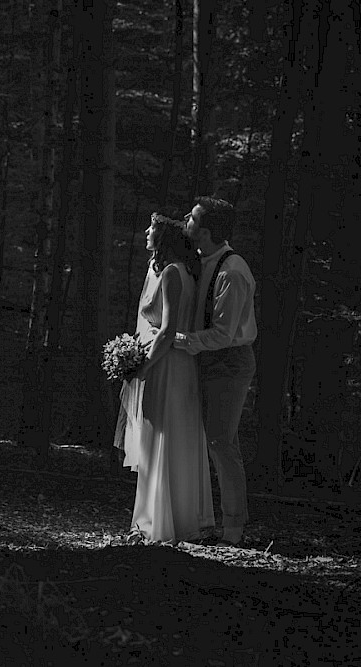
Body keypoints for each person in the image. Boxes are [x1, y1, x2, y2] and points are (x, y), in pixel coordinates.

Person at [113, 213, 215, 544]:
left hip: (167, 365)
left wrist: (143, 365)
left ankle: (154, 523)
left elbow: (168, 330)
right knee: (171, 440)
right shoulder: (185, 272)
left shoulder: (172, 273)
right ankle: (175, 520)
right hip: (180, 366)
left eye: (152, 227)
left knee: (159, 438)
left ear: (164, 238)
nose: (146, 231)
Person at [175, 197, 257, 548]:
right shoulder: (200, 261)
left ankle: (234, 530)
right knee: (206, 440)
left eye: (191, 219)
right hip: (205, 359)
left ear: (205, 231)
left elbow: (224, 334)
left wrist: (177, 341)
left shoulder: (232, 271)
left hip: (229, 363)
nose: (185, 221)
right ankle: (201, 520)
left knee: (222, 443)